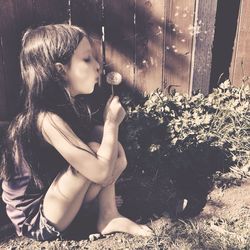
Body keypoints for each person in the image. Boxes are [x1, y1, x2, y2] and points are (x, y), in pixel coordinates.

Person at [0, 24, 153, 241]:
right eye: (87, 59)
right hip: (36, 220)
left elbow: (109, 162)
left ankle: (108, 215)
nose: (98, 66)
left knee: (107, 144)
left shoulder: (69, 108)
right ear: (60, 70)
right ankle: (100, 213)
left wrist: (107, 133)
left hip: (58, 201)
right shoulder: (46, 120)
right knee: (97, 148)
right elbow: (100, 172)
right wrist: (112, 124)